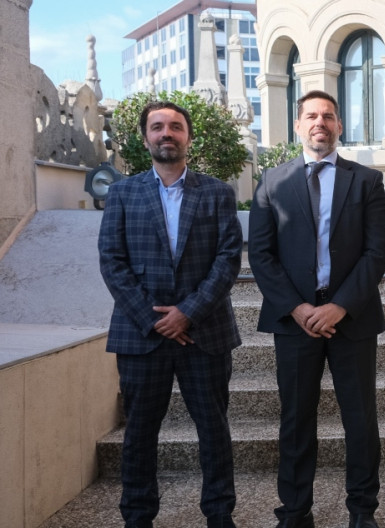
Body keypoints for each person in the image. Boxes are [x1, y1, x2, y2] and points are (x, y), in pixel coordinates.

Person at [248, 90, 385, 528]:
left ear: (339, 126)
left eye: (328, 116)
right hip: (295, 324)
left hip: (352, 319)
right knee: (295, 420)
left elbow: (377, 251)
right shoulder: (272, 182)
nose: (320, 123)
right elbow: (261, 254)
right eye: (311, 116)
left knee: (360, 421)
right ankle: (294, 511)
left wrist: (340, 307)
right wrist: (297, 308)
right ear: (297, 125)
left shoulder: (366, 180)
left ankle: (363, 510)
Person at [98, 100, 242, 528]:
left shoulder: (218, 192)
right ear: (145, 138)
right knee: (140, 432)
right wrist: (155, 318)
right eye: (158, 127)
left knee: (214, 430)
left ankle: (219, 514)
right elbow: (112, 261)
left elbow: (228, 258)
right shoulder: (123, 193)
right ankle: (137, 516)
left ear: (188, 137)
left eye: (175, 127)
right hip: (142, 336)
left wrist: (188, 313)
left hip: (206, 332)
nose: (167, 133)